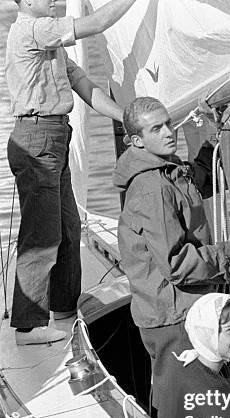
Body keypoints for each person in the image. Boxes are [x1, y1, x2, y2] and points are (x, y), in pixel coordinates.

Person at [115, 96, 230, 418]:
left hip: (175, 309)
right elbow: (176, 263)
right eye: (157, 128)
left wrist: (212, 135)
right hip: (173, 317)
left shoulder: (166, 170)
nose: (169, 132)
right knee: (182, 405)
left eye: (168, 123)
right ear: (136, 140)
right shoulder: (152, 188)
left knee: (183, 397)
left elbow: (196, 179)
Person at [6, 0, 138, 346]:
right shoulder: (34, 30)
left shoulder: (52, 44)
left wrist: (127, 117)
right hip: (38, 138)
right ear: (27, 2)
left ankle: (64, 308)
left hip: (54, 136)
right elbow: (95, 23)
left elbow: (84, 86)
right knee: (42, 235)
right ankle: (28, 326)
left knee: (67, 226)